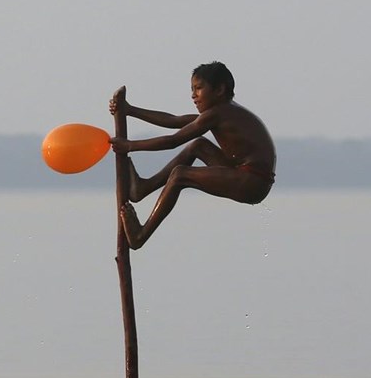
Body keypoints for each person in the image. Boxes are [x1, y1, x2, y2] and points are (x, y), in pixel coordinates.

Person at [108, 61, 277, 249]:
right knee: (198, 145)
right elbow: (174, 120)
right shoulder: (221, 112)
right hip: (245, 174)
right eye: (192, 89)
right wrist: (130, 110)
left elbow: (172, 141)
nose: (193, 96)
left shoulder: (219, 113)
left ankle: (140, 235)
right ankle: (143, 188)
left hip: (251, 180)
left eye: (198, 89)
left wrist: (130, 146)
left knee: (181, 175)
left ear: (219, 89)